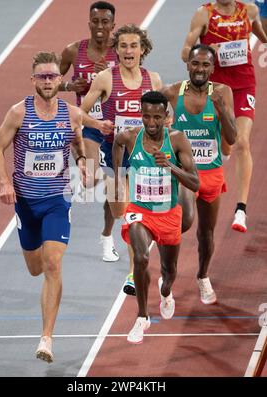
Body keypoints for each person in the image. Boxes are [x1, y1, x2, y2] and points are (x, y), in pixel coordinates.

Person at [0, 52, 86, 363]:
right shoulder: (18, 113)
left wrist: (82, 161)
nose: (48, 81)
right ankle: (46, 330)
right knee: (35, 268)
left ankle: (46, 338)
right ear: (33, 80)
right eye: (42, 76)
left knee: (53, 265)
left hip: (57, 200)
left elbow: (76, 140)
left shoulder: (71, 113)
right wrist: (5, 181)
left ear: (60, 79)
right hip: (26, 204)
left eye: (52, 76)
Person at [80, 24, 162, 295]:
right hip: (114, 154)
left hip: (142, 155)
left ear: (143, 50)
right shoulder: (105, 78)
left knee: (133, 213)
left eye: (134, 46)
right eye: (124, 46)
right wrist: (97, 122)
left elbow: (164, 116)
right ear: (116, 50)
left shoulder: (154, 79)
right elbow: (79, 114)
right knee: (120, 211)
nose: (129, 51)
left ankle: (132, 273)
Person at [112, 91, 199, 343]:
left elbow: (194, 183)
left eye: (157, 117)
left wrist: (170, 166)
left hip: (168, 214)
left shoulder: (178, 141)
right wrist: (118, 175)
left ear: (166, 116)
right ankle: (142, 317)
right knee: (140, 257)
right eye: (146, 116)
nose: (151, 123)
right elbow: (117, 142)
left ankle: (166, 291)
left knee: (168, 270)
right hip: (140, 210)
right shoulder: (130, 137)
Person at [181, 0, 267, 233]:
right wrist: (212, 52)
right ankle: (223, 152)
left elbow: (264, 37)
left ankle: (241, 210)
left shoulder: (250, 10)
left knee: (242, 142)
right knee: (227, 144)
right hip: (215, 88)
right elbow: (184, 53)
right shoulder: (203, 14)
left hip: (243, 86)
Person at [161, 44, 237, 305]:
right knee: (183, 222)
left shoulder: (223, 92)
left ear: (212, 68)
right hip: (184, 172)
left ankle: (203, 277)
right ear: (188, 65)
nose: (200, 69)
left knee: (206, 233)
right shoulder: (172, 93)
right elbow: (150, 117)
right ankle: (167, 270)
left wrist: (222, 109)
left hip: (212, 173)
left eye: (205, 65)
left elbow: (232, 137)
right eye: (196, 64)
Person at [59, 1, 119, 262]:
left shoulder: (122, 53)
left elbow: (135, 82)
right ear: (89, 23)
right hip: (86, 126)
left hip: (116, 128)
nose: (100, 27)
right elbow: (48, 81)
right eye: (95, 21)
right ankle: (64, 198)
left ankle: (107, 237)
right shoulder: (74, 51)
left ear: (113, 26)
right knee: (92, 179)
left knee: (115, 194)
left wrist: (110, 74)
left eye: (105, 22)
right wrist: (71, 85)